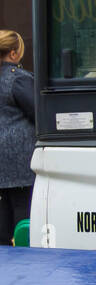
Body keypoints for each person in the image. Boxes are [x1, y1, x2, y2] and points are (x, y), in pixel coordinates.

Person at [0, 30, 35, 245]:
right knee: (24, 217)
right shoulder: (18, 78)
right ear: (13, 53)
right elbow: (37, 111)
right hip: (20, 163)